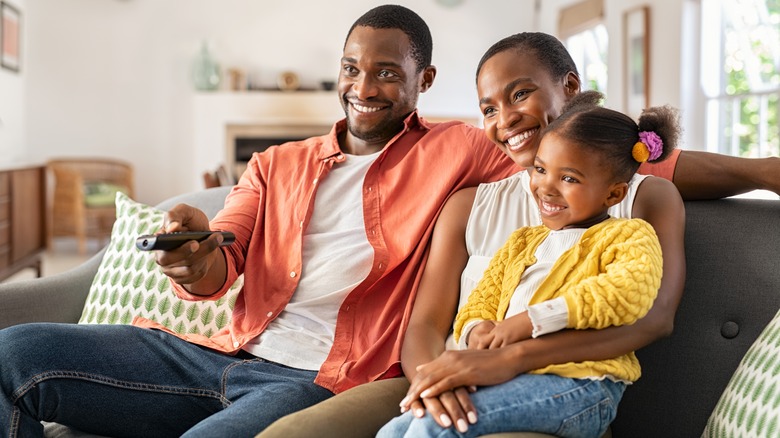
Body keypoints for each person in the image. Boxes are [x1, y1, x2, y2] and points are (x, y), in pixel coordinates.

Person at [0, 6, 517, 437]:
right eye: (351, 68)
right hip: (212, 354)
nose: (363, 87)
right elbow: (222, 260)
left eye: (387, 72)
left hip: (312, 380)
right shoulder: (275, 164)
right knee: (9, 354)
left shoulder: (459, 148)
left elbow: (552, 169)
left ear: (424, 80)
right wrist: (192, 258)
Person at [378, 90, 678, 437]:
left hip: (583, 386)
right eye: (540, 169)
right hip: (512, 376)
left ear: (614, 194)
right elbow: (482, 299)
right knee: (395, 431)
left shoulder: (629, 236)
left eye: (569, 178)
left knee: (433, 429)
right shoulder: (522, 242)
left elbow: (625, 293)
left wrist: (526, 323)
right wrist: (478, 329)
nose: (545, 188)